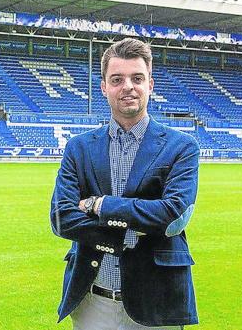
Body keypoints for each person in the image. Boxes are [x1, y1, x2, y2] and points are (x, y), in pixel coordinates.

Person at [50, 38, 199, 329]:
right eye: (117, 79)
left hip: (156, 300)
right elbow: (61, 218)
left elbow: (171, 213)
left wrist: (99, 205)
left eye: (137, 78)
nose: (128, 86)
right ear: (104, 86)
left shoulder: (182, 147)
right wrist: (129, 230)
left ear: (150, 85)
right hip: (93, 302)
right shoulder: (78, 148)